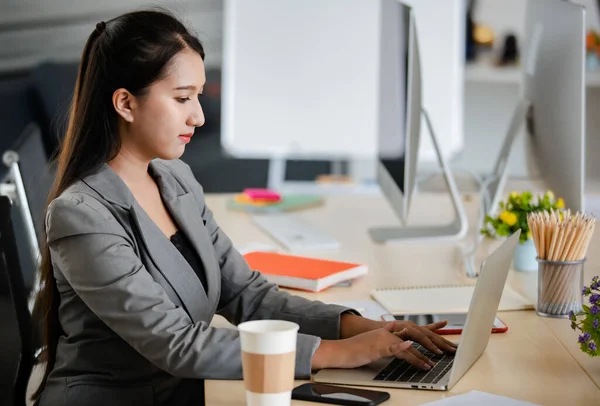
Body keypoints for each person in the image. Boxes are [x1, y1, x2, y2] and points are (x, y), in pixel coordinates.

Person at [31, 9, 456, 406]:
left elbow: (246, 295)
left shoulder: (175, 180)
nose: (198, 116)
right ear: (125, 103)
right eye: (182, 98)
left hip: (186, 389)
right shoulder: (82, 215)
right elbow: (175, 343)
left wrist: (359, 326)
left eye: (198, 96)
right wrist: (337, 353)